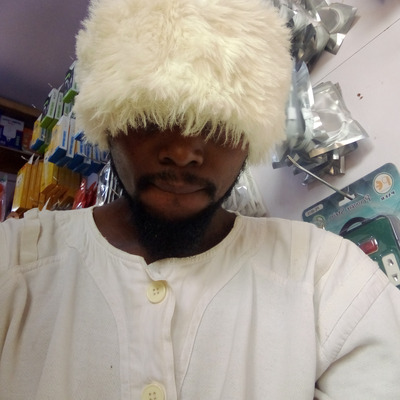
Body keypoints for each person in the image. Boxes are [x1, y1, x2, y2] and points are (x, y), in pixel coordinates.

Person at [1, 0, 400, 398]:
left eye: (218, 122)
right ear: (108, 120)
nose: (183, 152)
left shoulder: (326, 279)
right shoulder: (16, 265)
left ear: (252, 133)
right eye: (152, 114)